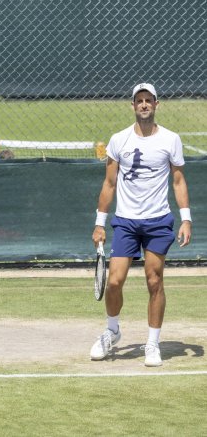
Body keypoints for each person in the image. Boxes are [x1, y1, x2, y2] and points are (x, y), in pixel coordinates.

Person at [90, 83, 192, 366]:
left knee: (154, 279)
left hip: (158, 222)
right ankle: (112, 331)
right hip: (126, 222)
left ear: (156, 105)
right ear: (132, 106)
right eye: (139, 100)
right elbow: (109, 183)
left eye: (149, 100)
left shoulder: (171, 139)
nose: (144, 104)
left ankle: (152, 343)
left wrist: (186, 219)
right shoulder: (118, 140)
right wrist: (100, 223)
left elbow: (178, 180)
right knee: (114, 281)